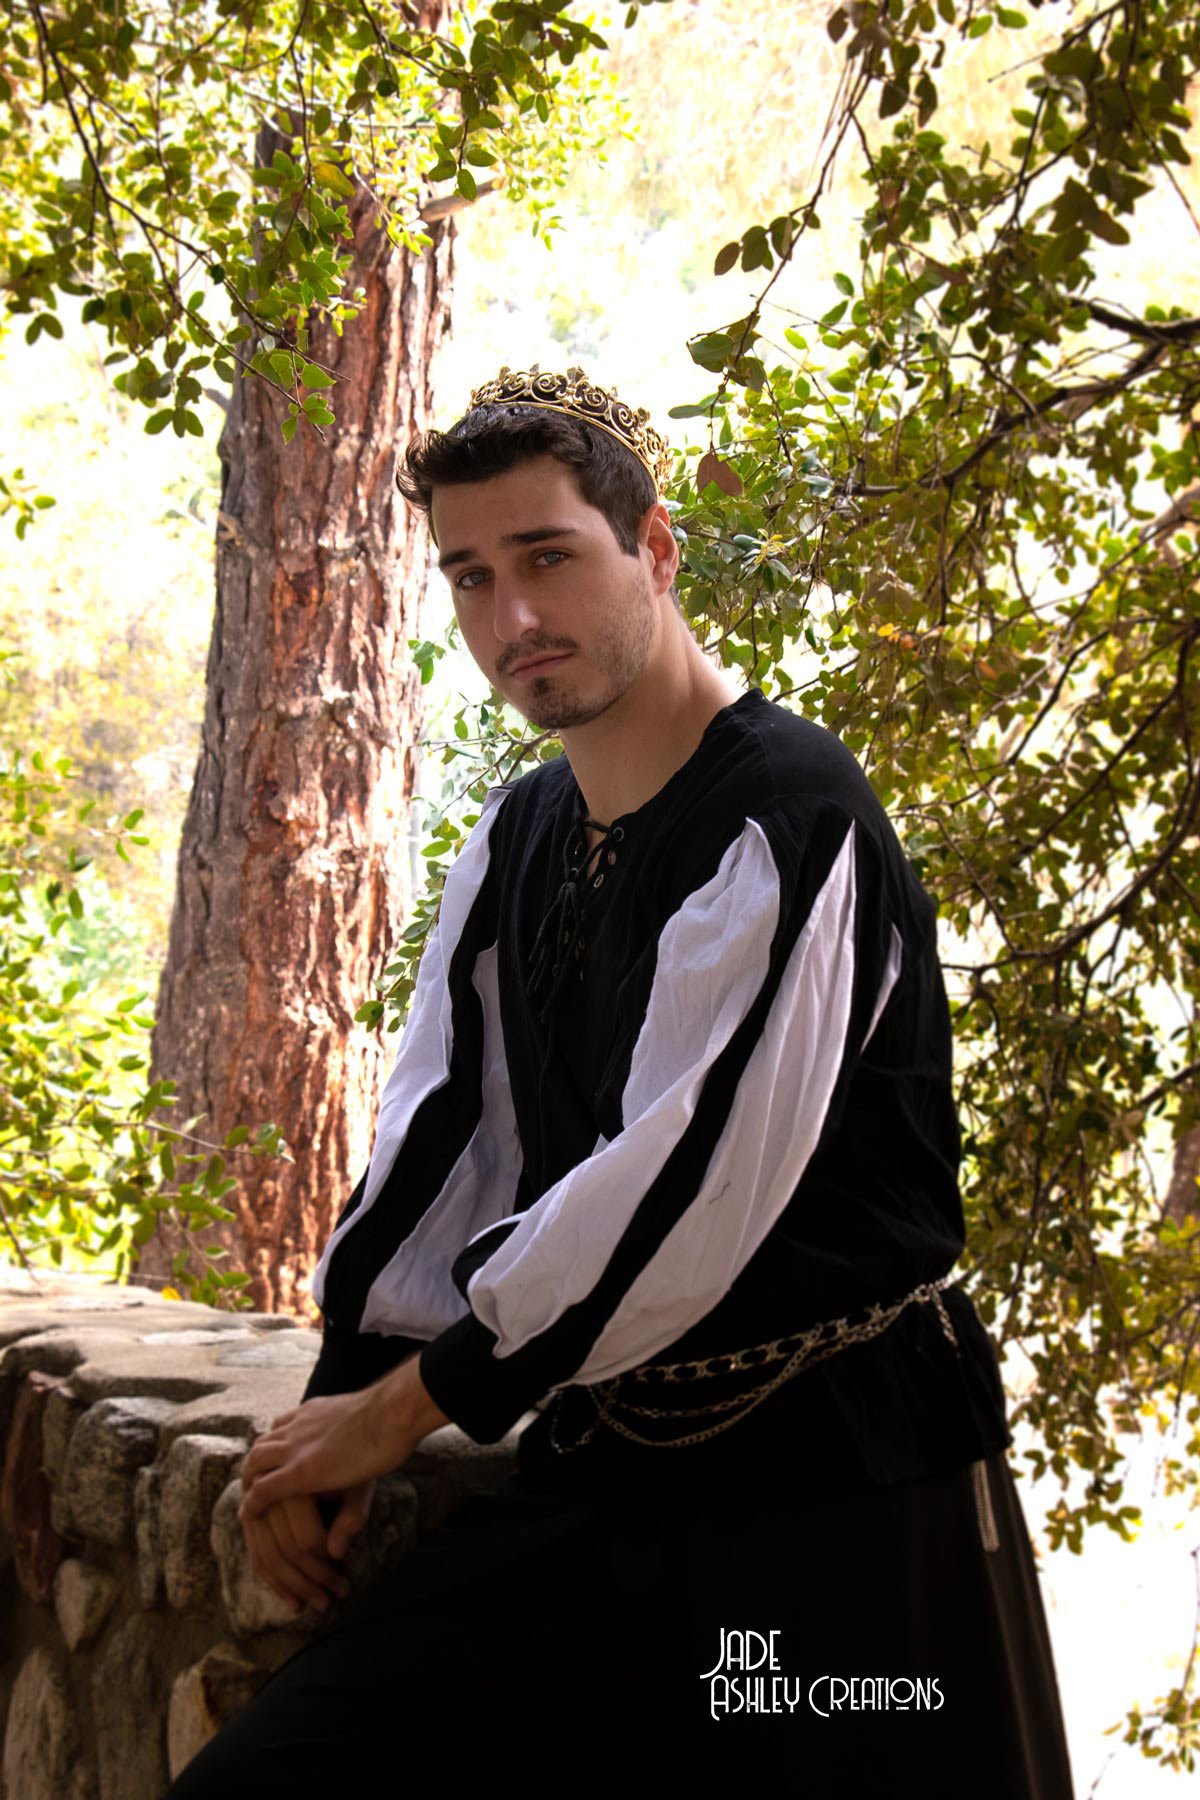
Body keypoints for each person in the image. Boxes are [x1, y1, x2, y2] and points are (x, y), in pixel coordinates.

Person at [163, 364, 1076, 1798]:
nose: (511, 621)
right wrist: (331, 1412)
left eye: (547, 558)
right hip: (605, 1476)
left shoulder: (789, 816)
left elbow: (673, 1195)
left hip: (834, 1511)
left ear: (653, 547)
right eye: (471, 577)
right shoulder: (522, 833)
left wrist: (396, 1415)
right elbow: (443, 1133)